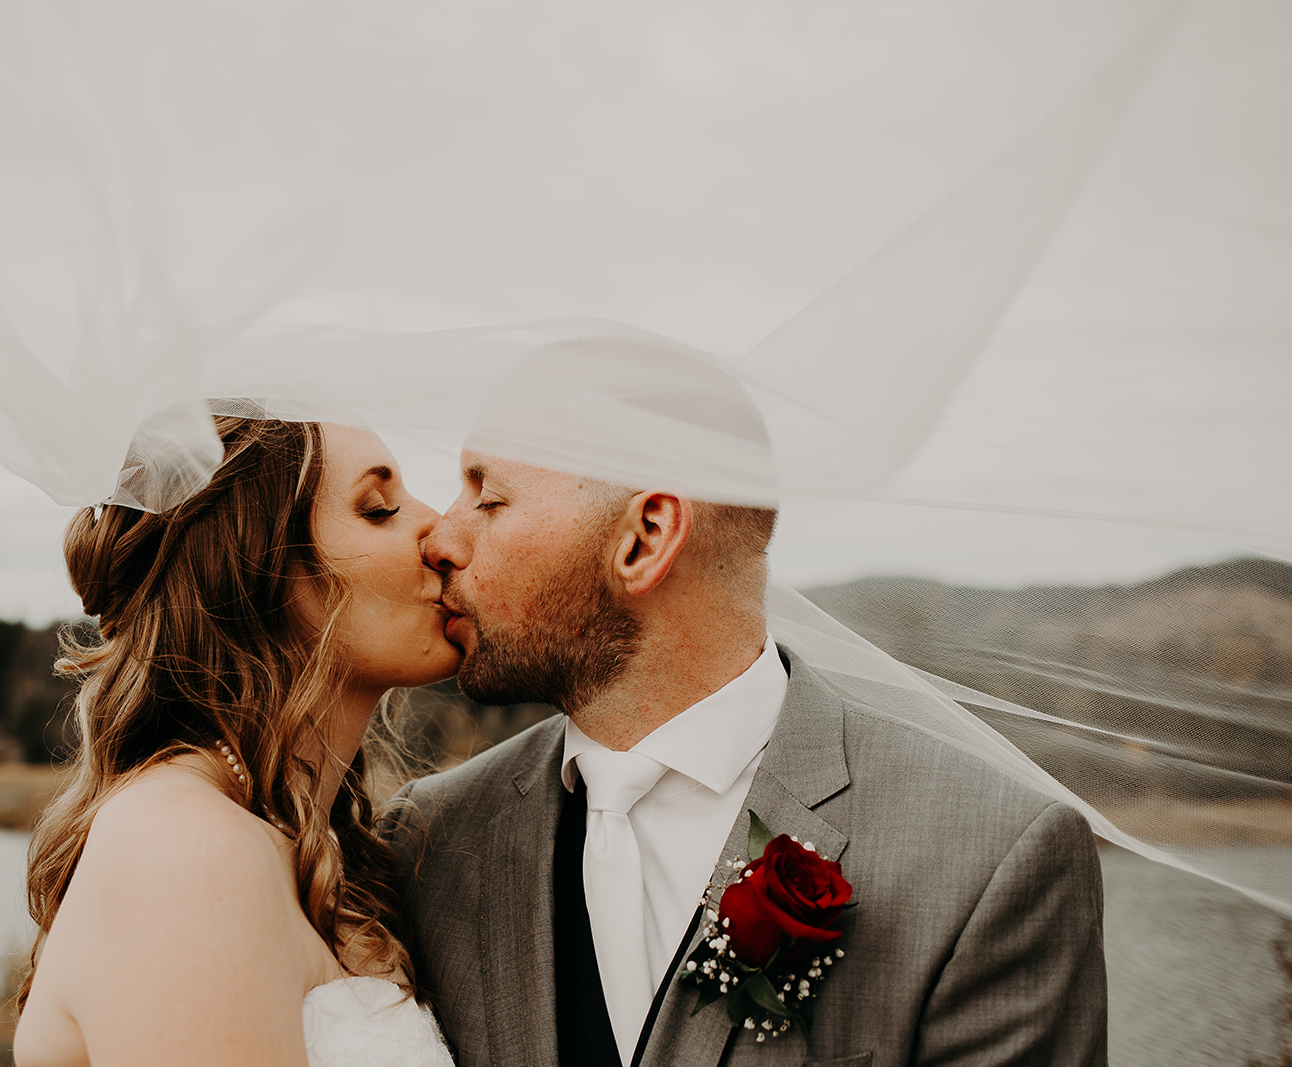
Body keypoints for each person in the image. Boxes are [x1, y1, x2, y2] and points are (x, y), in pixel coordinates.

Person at [387, 350, 1109, 1067]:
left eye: (488, 496)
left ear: (644, 539)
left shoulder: (988, 861)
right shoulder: (421, 842)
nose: (441, 539)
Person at [11, 415, 458, 1066]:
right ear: (263, 571)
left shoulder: (294, 842)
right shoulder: (185, 848)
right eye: (379, 508)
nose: (439, 527)